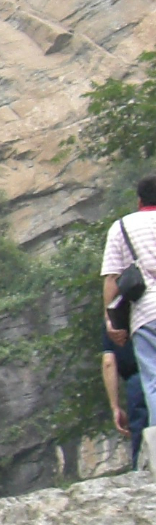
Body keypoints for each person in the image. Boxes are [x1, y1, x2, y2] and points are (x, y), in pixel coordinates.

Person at [103, 174, 156, 416]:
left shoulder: (121, 227)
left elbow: (112, 280)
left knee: (153, 382)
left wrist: (110, 321)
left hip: (146, 314)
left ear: (139, 201)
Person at [102, 319, 148, 469]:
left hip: (137, 381)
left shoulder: (113, 319)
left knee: (141, 438)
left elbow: (109, 362)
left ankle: (142, 475)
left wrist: (115, 406)